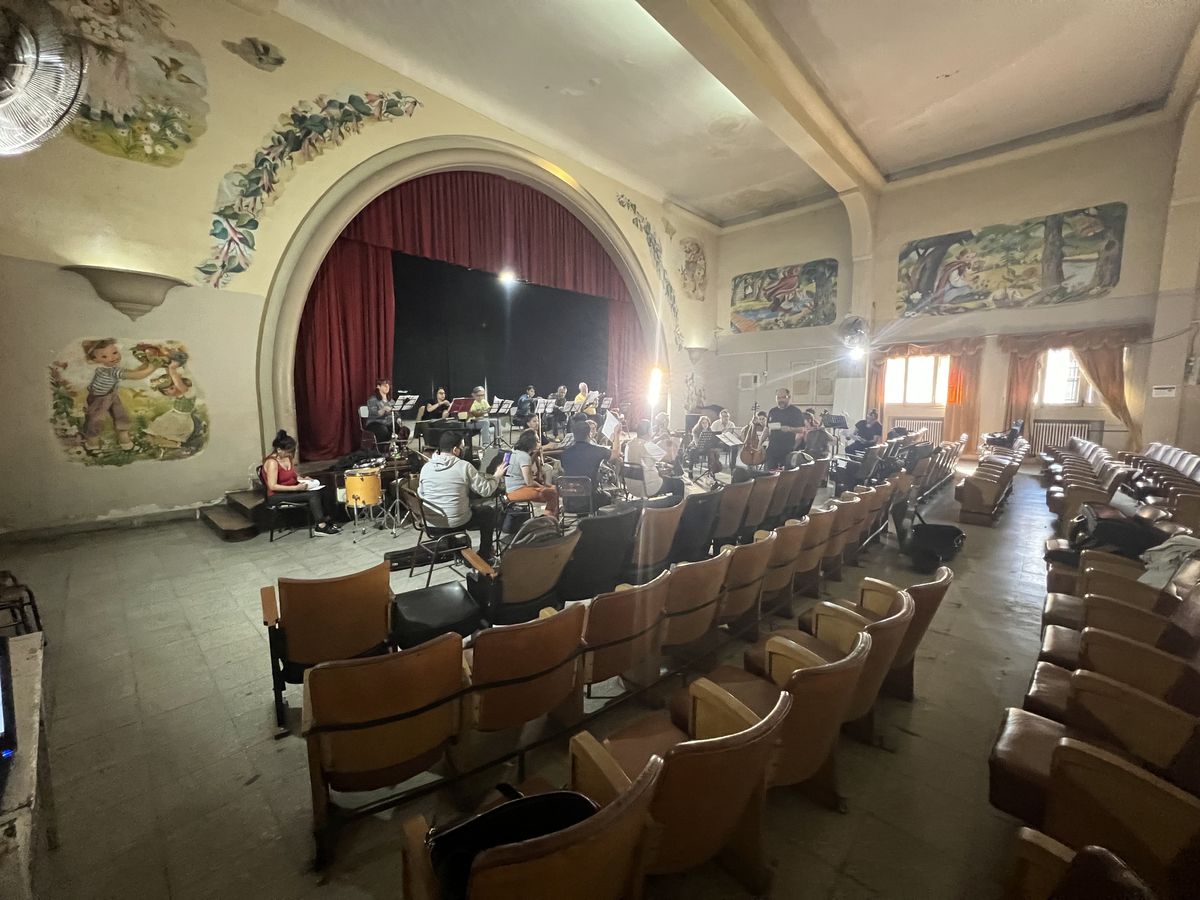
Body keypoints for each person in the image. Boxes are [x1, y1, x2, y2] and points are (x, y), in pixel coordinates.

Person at [418, 429, 505, 560]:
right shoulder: (464, 466)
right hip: (455, 522)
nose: (462, 451)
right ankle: (485, 554)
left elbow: (421, 493)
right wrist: (497, 476)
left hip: (430, 524)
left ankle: (457, 548)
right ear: (455, 450)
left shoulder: (426, 467)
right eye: (462, 447)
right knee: (488, 512)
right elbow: (486, 490)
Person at [80, 338, 156, 453]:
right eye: (104, 357)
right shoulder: (109, 371)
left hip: (111, 394)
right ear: (95, 360)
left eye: (114, 352)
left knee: (121, 416)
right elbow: (136, 375)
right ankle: (92, 445)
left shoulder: (112, 368)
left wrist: (146, 364)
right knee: (96, 420)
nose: (112, 358)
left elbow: (133, 371)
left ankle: (125, 442)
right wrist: (152, 367)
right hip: (99, 398)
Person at [262, 430, 341, 536]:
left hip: (291, 490)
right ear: (279, 450)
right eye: (288, 451)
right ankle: (320, 526)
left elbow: (293, 476)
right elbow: (272, 486)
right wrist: (295, 489)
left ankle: (327, 520)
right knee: (313, 495)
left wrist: (303, 479)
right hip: (277, 495)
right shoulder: (272, 463)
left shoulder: (287, 458)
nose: (290, 454)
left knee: (323, 489)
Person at [621, 419, 684, 498]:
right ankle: (675, 509)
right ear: (649, 431)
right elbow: (670, 458)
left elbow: (644, 446)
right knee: (679, 484)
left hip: (632, 486)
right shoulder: (648, 446)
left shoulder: (629, 444)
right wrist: (670, 445)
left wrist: (659, 438)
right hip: (648, 487)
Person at [505, 429, 560, 517]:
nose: (539, 443)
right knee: (552, 492)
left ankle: (551, 518)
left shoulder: (515, 452)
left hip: (512, 489)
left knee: (553, 489)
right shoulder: (524, 456)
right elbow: (529, 482)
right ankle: (548, 520)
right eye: (537, 441)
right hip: (517, 491)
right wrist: (542, 486)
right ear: (531, 443)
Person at [765, 388, 805, 470]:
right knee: (768, 474)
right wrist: (759, 444)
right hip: (772, 449)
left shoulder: (795, 411)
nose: (781, 400)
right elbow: (766, 429)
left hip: (787, 449)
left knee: (786, 476)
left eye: (783, 397)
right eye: (778, 398)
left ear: (789, 397)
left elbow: (801, 429)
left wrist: (790, 429)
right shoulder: (773, 411)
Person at [365, 378, 396, 447]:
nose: (387, 387)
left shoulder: (391, 400)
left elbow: (396, 413)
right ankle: (382, 450)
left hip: (388, 423)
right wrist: (383, 409)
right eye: (385, 385)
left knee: (403, 429)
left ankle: (398, 449)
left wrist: (398, 418)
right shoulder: (373, 399)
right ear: (378, 386)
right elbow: (373, 414)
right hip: (375, 423)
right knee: (383, 430)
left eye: (388, 385)